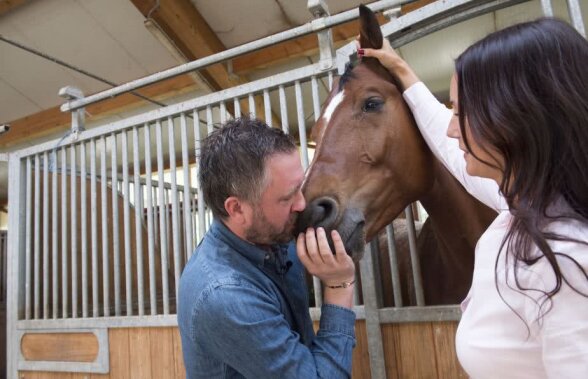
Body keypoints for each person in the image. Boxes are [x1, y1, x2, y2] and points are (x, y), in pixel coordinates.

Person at [358, 18, 588, 378]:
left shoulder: (568, 262)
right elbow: (450, 147)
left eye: (461, 113)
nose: (452, 127)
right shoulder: (524, 205)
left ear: (515, 119)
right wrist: (399, 68)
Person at [178, 117, 357, 379]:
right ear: (237, 209)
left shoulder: (272, 237)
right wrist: (339, 286)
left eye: (299, 187)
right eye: (287, 197)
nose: (301, 204)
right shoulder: (225, 296)